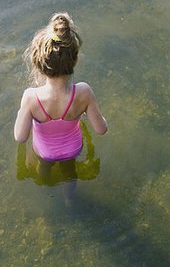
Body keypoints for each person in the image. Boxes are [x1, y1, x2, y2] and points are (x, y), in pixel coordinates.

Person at [13, 12, 107, 197]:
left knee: (44, 168)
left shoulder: (31, 97)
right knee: (69, 173)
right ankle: (69, 199)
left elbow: (20, 137)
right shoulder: (84, 92)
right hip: (73, 149)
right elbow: (101, 129)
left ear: (38, 63)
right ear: (75, 60)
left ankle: (44, 187)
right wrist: (89, 111)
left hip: (45, 152)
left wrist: (23, 112)